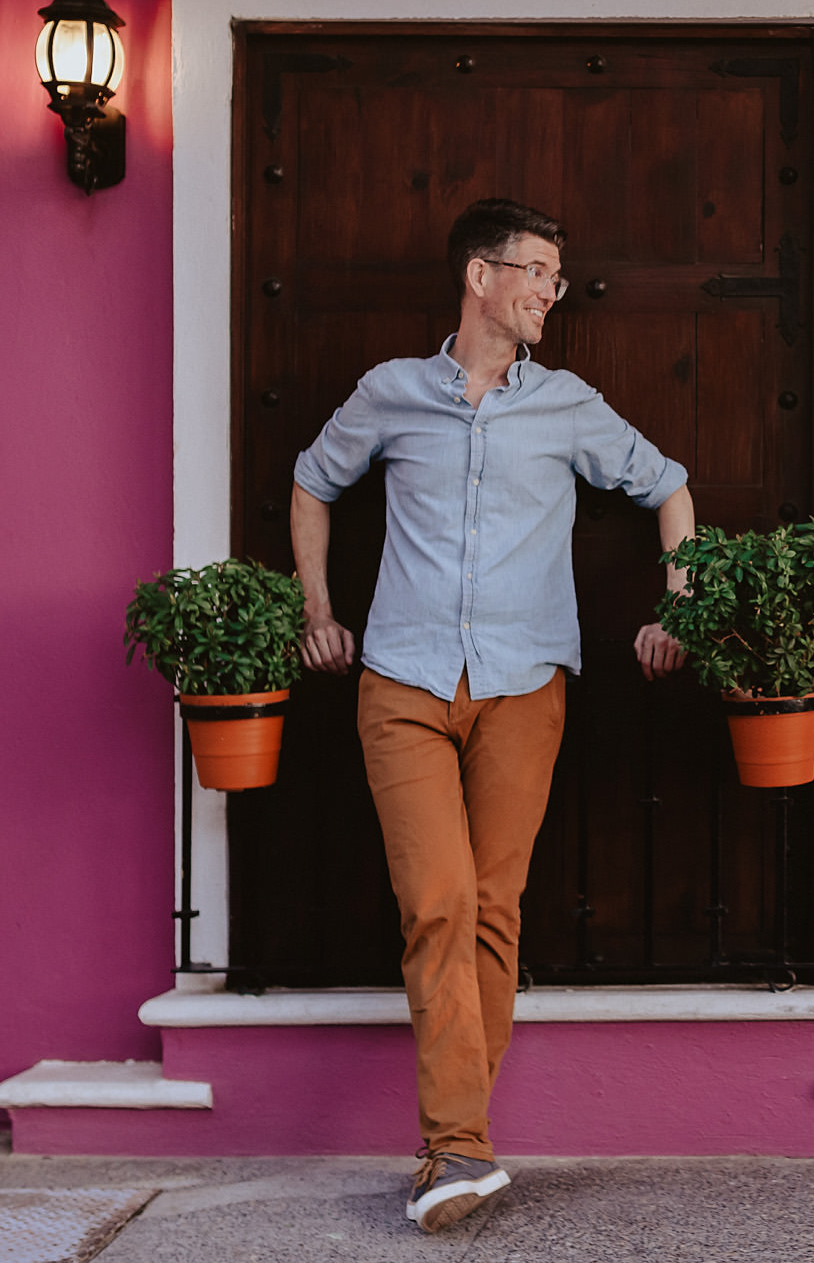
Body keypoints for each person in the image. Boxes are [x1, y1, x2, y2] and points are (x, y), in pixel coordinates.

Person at [290, 197, 695, 1232]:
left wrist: (676, 603)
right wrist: (321, 612)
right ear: (482, 276)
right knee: (437, 900)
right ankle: (458, 1146)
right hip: (404, 685)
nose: (553, 292)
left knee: (494, 908)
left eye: (558, 276)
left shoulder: (567, 405)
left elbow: (670, 484)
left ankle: (452, 1149)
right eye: (540, 271)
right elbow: (312, 480)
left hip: (524, 686)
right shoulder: (391, 393)